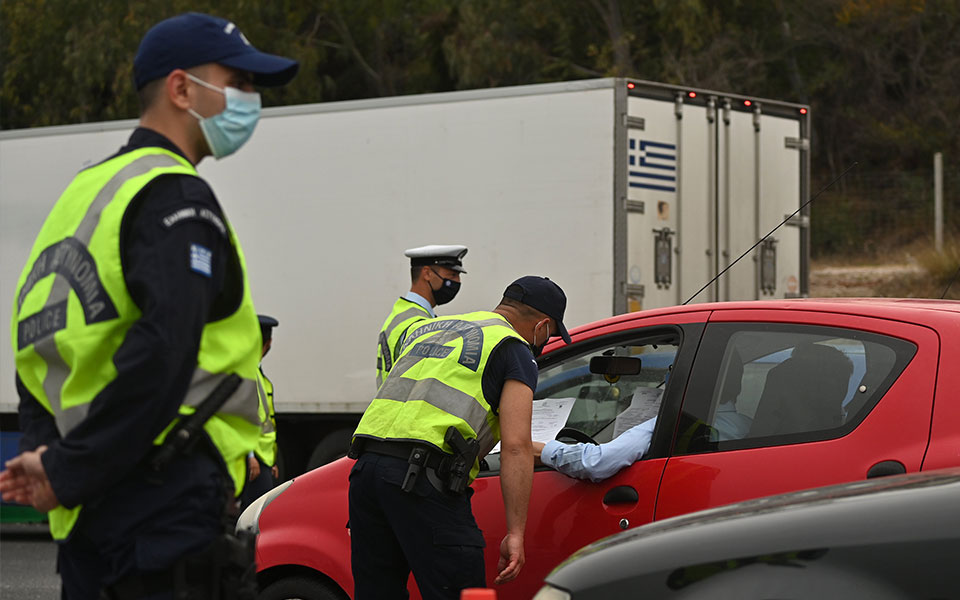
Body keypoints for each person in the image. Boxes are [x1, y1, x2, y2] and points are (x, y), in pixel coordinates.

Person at [0, 12, 297, 599]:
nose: (251, 100)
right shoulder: (174, 194)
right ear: (182, 88)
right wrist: (67, 469)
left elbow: (38, 347)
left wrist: (51, 458)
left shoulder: (83, 196)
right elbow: (166, 350)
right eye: (238, 82)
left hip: (92, 516)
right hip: (165, 504)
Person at [349, 275, 572, 600]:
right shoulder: (513, 348)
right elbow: (515, 446)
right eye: (550, 335)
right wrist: (516, 532)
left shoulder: (436, 328)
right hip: (422, 481)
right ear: (542, 325)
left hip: (365, 474)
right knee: (461, 591)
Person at [376, 244, 468, 388]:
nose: (458, 282)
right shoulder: (418, 323)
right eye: (452, 275)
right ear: (427, 273)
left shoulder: (402, 313)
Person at [241, 314, 281, 510]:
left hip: (262, 460)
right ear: (268, 343)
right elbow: (242, 415)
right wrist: (250, 456)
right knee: (253, 522)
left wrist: (271, 461)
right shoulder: (249, 373)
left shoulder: (256, 374)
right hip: (254, 459)